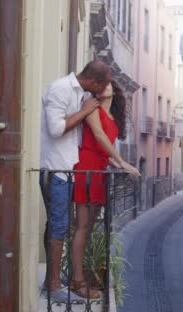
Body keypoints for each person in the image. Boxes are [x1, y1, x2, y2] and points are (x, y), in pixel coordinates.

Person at [40, 60, 111, 302]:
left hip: (68, 170)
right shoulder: (60, 89)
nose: (100, 94)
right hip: (56, 170)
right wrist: (84, 112)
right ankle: (53, 287)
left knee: (58, 225)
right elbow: (55, 129)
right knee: (58, 226)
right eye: (102, 88)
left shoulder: (80, 93)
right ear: (94, 81)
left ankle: (55, 280)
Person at [71, 80, 139, 298]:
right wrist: (122, 160)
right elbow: (98, 137)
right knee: (82, 226)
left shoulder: (112, 118)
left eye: (108, 83)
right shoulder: (93, 107)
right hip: (87, 166)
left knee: (89, 228)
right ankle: (77, 281)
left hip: (99, 169)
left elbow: (105, 149)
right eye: (101, 84)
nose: (105, 86)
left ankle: (82, 274)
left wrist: (118, 164)